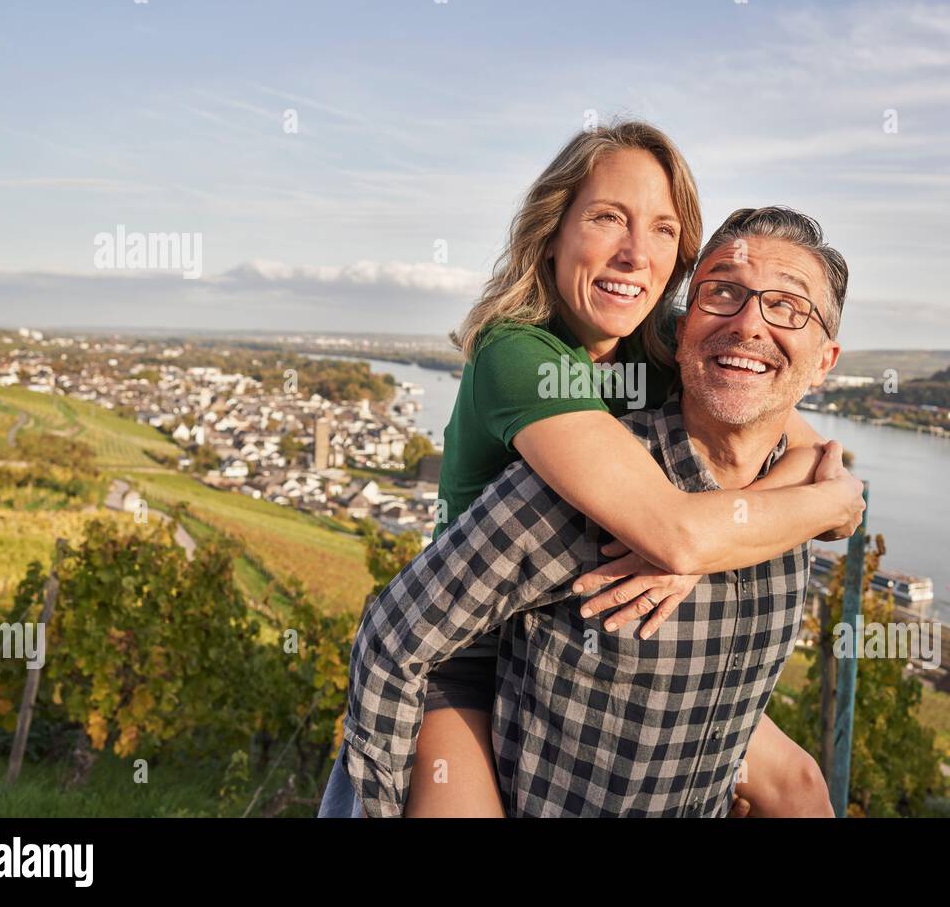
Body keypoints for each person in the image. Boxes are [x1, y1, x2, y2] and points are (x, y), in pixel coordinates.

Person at [318, 122, 862, 817]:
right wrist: (710, 540)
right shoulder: (521, 355)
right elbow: (675, 529)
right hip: (470, 653)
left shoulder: (665, 343)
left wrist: (808, 505)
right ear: (553, 232)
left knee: (803, 788)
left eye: (664, 230)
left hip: (581, 645)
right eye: (608, 217)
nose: (636, 252)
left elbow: (799, 444)